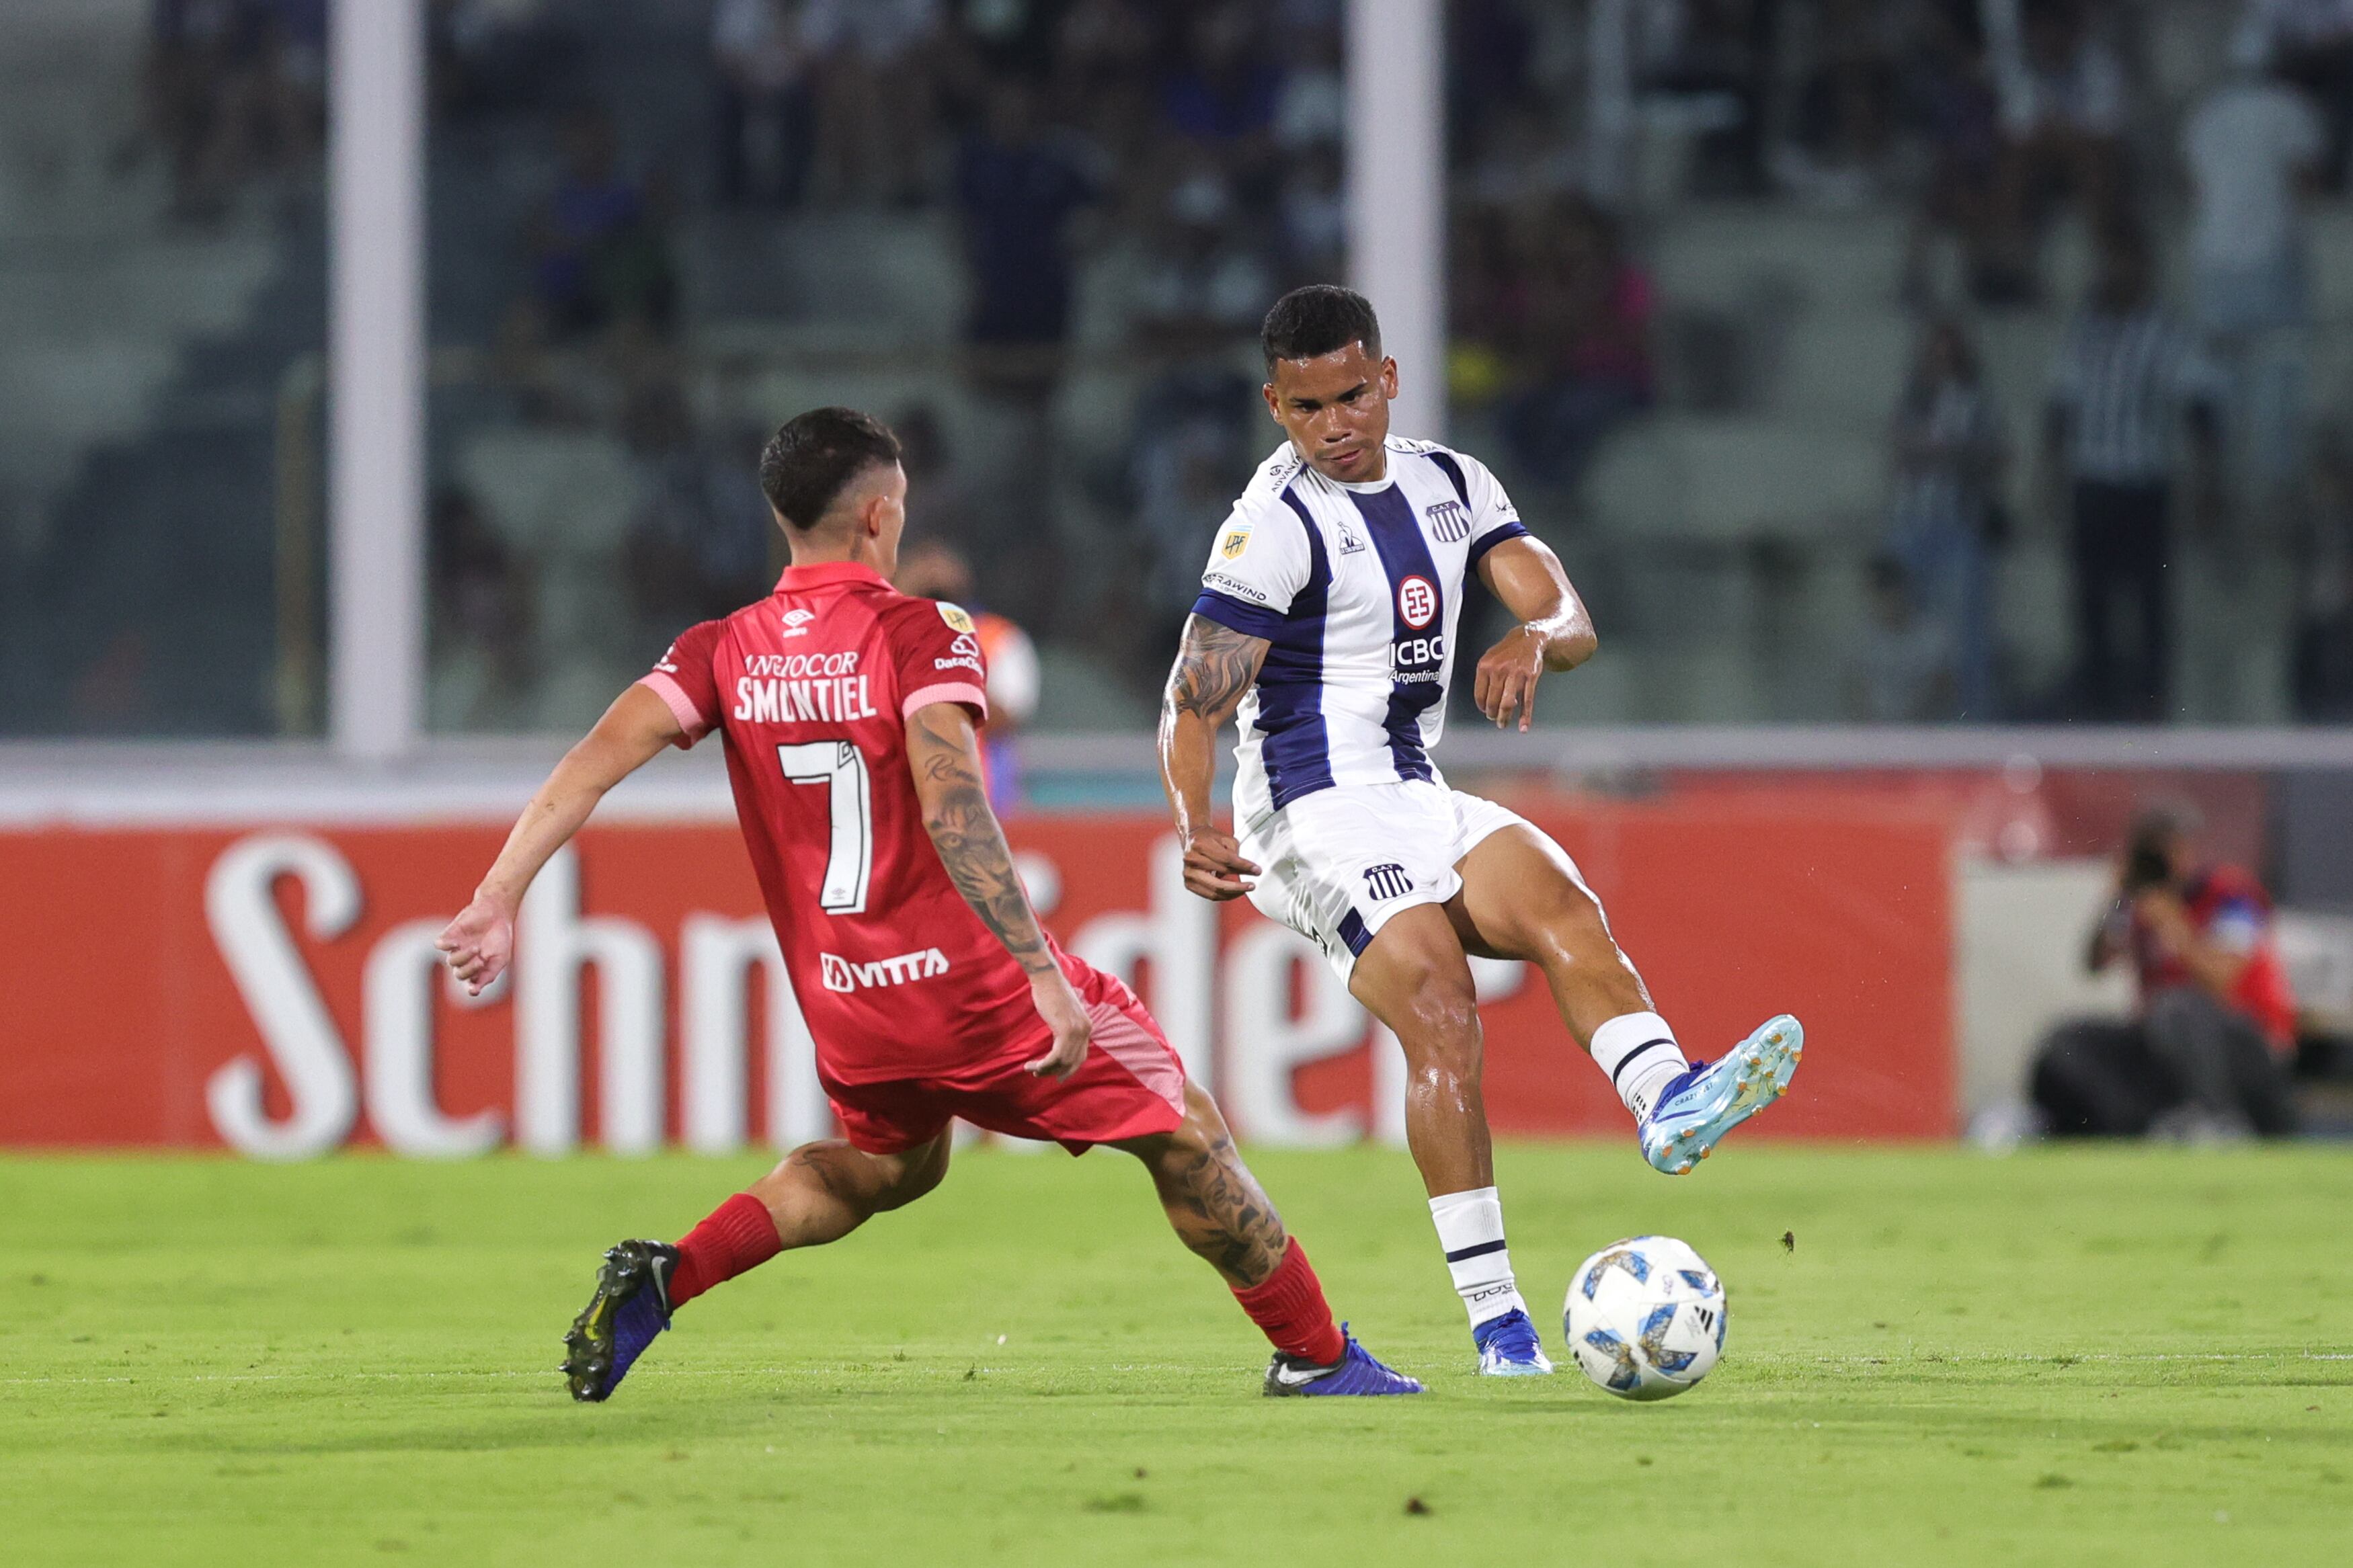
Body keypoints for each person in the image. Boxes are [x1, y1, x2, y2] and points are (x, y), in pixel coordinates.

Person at [436, 407, 1418, 1403]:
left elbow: (592, 761)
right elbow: (956, 804)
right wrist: (1041, 970)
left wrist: (495, 899)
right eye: (899, 508)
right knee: (1182, 1126)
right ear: (875, 517)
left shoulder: (719, 649)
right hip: (969, 991)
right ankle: (1318, 1356)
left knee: (891, 1169)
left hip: (850, 1006)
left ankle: (668, 1274)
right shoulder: (921, 632)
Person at [1156, 287, 1802, 1378]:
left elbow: (1570, 615)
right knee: (1442, 1005)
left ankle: (1666, 1100)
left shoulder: (1453, 483)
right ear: (1277, 407)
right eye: (1308, 407)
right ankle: (1500, 1322)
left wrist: (1537, 637)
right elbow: (1195, 697)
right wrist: (1194, 820)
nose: (1336, 424)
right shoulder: (1271, 527)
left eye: (1354, 394)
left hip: (1412, 787)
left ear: (1390, 379)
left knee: (1559, 897)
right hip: (1305, 809)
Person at [2032, 802, 2299, 1139]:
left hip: (2245, 1047)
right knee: (2070, 1040)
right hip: (2168, 1050)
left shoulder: (2232, 896)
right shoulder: (2137, 903)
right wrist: (2117, 899)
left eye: (2170, 849)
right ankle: (2133, 1128)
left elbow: (2220, 980)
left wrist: (2172, 922)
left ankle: (2216, 1119)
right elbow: (2095, 964)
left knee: (2176, 1008)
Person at [2042, 233, 2227, 720]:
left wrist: (2209, 481)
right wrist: (2048, 474)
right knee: (2090, 597)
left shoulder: (2165, 331)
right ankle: (2098, 695)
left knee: (2150, 597)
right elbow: (2060, 404)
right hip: (2092, 480)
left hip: (2144, 482)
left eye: (2123, 263)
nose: (2113, 274)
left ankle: (2152, 700)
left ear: (2143, 268)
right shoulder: (2085, 329)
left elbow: (2200, 403)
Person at [1886, 318, 2006, 716]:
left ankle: (1974, 723)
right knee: (1905, 627)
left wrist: (1948, 453)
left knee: (1968, 636)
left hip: (1959, 527)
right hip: (1911, 524)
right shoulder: (1911, 400)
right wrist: (1943, 451)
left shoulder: (1978, 403)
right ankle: (1908, 719)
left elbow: (1994, 456)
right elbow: (1900, 453)